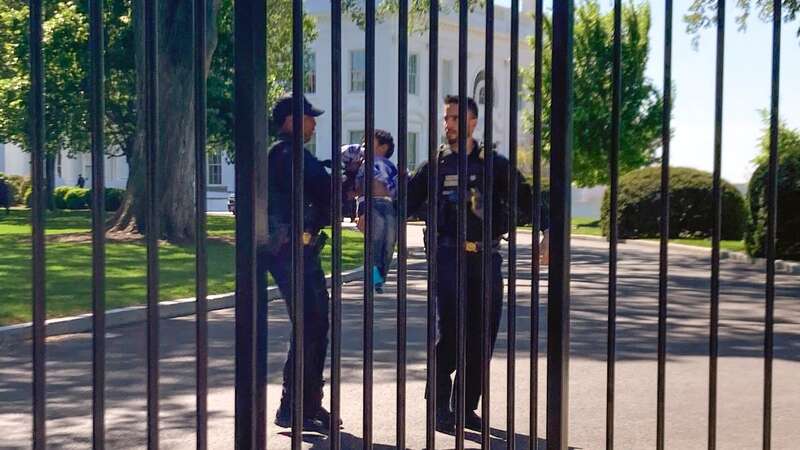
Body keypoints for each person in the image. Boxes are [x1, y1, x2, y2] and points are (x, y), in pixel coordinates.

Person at [406, 95, 550, 433]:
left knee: (482, 336)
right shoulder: (435, 166)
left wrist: (548, 231)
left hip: (486, 258)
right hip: (447, 257)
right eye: (446, 118)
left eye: (456, 118)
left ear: (472, 122)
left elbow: (527, 198)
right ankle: (439, 406)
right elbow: (406, 201)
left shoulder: (494, 165)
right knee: (451, 333)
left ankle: (465, 407)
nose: (449, 124)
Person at [261, 93, 338, 433]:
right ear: (292, 121)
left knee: (316, 324)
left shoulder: (294, 156)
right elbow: (326, 194)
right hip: (290, 252)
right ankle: (292, 406)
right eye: (309, 117)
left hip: (302, 251)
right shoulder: (286, 155)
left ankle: (306, 403)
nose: (314, 123)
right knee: (310, 324)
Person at [355, 129, 398, 294]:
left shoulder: (390, 166)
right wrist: (361, 212)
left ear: (383, 147)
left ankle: (380, 278)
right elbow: (360, 190)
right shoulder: (365, 165)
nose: (364, 147)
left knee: (388, 244)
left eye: (369, 144)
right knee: (375, 243)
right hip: (371, 205)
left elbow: (396, 190)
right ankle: (374, 280)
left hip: (388, 206)